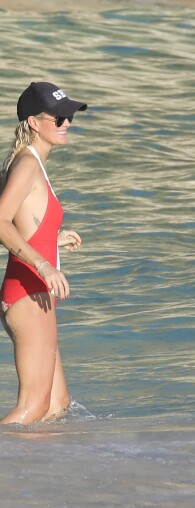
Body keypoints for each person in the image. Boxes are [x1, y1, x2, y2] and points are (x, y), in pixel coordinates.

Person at [0, 82, 87, 425]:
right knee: (32, 408)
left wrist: (53, 238)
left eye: (69, 117)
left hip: (34, 290)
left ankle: (36, 474)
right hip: (27, 291)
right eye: (60, 117)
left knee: (56, 405)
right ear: (34, 123)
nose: (67, 122)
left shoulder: (32, 162)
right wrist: (44, 263)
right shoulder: (27, 165)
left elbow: (22, 222)